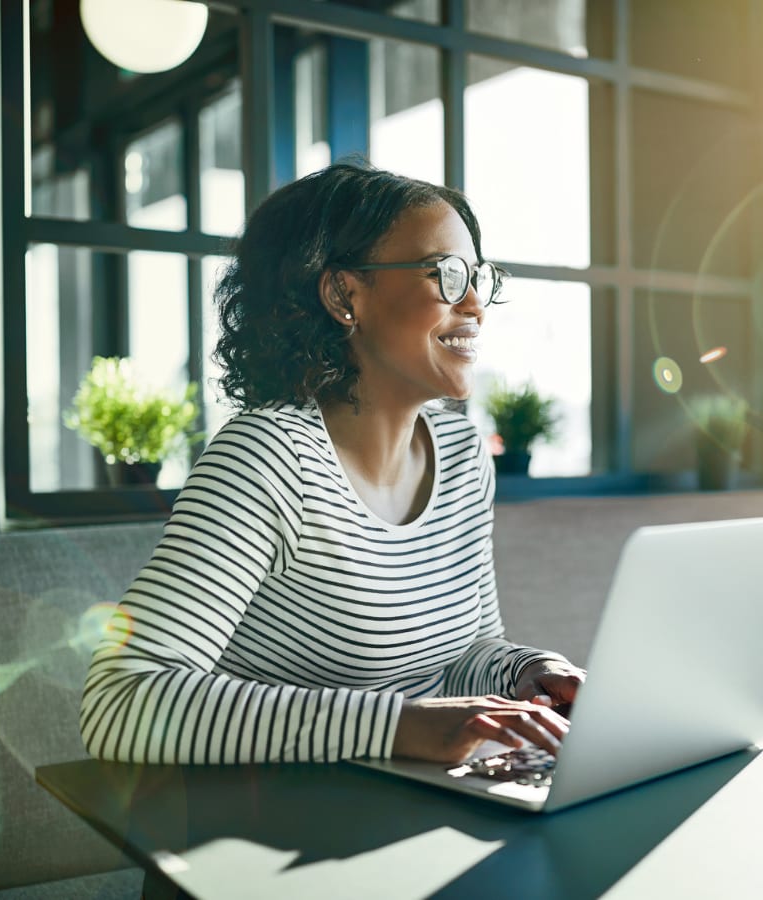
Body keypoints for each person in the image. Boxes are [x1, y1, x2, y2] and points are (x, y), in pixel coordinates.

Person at [79, 161, 584, 766]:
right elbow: (121, 699)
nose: (475, 304)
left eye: (478, 276)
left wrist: (526, 673)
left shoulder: (462, 453)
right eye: (446, 275)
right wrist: (399, 726)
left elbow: (465, 650)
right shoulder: (265, 459)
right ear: (345, 295)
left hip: (414, 810)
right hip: (265, 831)